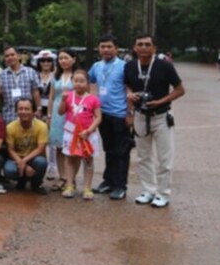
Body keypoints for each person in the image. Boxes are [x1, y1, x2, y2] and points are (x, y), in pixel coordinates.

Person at [125, 34, 185, 208]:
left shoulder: (164, 66)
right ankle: (148, 190)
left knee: (165, 158)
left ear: (154, 48)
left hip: (161, 115)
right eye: (140, 45)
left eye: (147, 44)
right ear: (135, 48)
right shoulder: (129, 66)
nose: (143, 48)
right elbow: (127, 84)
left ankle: (163, 193)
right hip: (140, 115)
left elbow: (180, 90)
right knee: (143, 156)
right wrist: (130, 94)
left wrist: (161, 101)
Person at [88, 34, 131, 200]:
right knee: (109, 149)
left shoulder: (124, 66)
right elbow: (88, 81)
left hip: (120, 114)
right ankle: (108, 180)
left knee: (122, 151)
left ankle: (120, 185)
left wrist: (130, 112)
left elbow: (129, 90)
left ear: (116, 48)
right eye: (102, 47)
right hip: (103, 114)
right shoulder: (96, 66)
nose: (105, 50)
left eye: (109, 47)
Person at [59, 70, 102, 200]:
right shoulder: (68, 96)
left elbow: (98, 117)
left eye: (82, 81)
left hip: (87, 135)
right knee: (70, 159)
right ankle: (70, 185)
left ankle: (87, 187)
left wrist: (88, 131)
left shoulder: (93, 99)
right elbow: (61, 112)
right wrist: (62, 100)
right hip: (70, 134)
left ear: (87, 83)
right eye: (76, 81)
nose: (78, 84)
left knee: (88, 161)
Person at [4, 98, 49, 194]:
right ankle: (22, 181)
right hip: (16, 158)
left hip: (34, 158)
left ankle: (36, 184)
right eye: (20, 109)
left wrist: (23, 162)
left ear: (33, 111)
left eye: (27, 109)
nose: (23, 112)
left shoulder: (42, 126)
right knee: (9, 170)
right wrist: (21, 162)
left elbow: (40, 148)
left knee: (41, 162)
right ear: (16, 111)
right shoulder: (10, 127)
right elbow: (10, 150)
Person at [48, 48, 77, 190]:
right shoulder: (56, 76)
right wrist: (49, 115)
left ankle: (72, 177)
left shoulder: (77, 76)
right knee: (59, 146)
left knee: (71, 145)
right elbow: (51, 97)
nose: (63, 61)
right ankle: (62, 177)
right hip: (57, 114)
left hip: (73, 113)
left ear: (74, 59)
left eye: (66, 58)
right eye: (60, 58)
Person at [0, 46, 42, 125]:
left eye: (12, 55)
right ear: (4, 59)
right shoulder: (2, 75)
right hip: (9, 115)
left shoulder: (30, 72)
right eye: (7, 56)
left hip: (28, 114)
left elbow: (35, 92)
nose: (10, 57)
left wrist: (39, 108)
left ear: (18, 56)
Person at [35, 50, 56, 119]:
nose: (46, 63)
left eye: (49, 60)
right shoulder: (35, 76)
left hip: (53, 110)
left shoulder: (56, 76)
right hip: (37, 110)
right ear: (39, 62)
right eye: (43, 60)